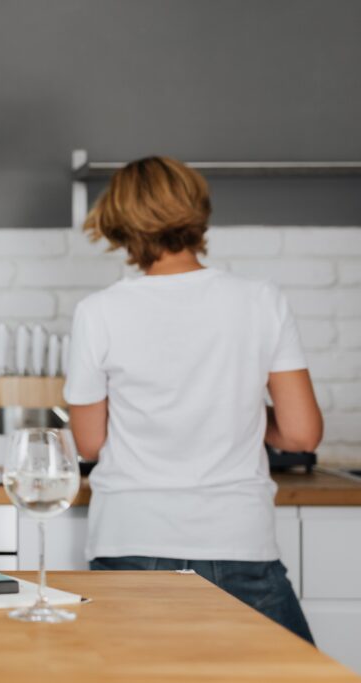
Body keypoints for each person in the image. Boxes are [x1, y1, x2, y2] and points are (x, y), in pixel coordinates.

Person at [65, 156, 321, 643]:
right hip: (238, 542)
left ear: (120, 225)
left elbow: (90, 442)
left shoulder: (99, 311)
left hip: (131, 539)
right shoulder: (261, 299)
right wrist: (238, 406)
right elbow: (301, 433)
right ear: (196, 211)